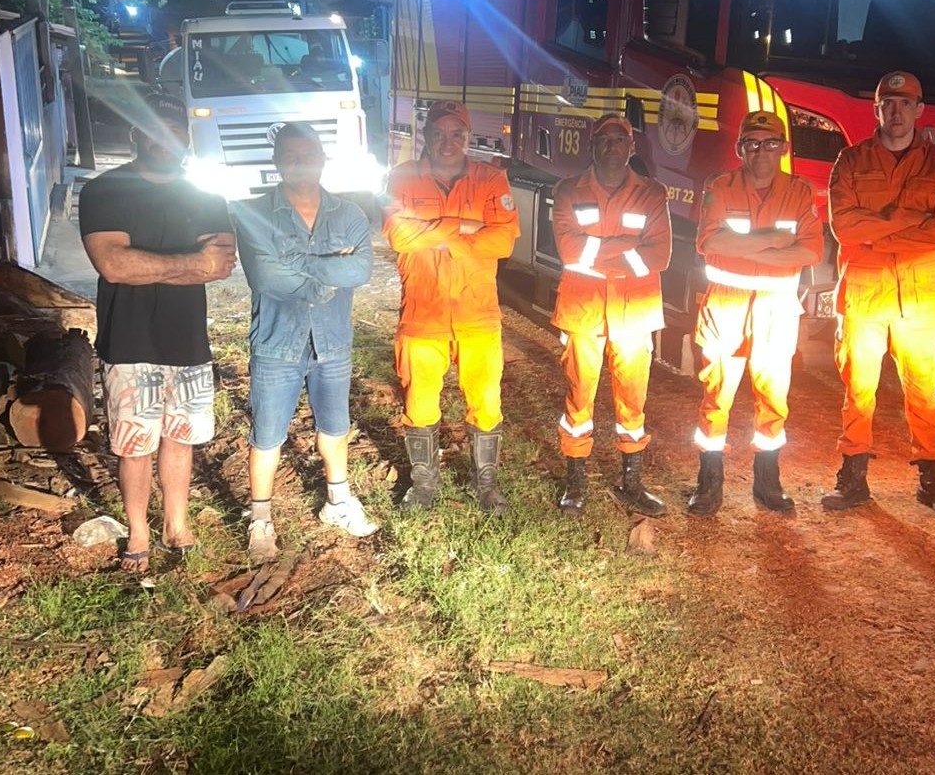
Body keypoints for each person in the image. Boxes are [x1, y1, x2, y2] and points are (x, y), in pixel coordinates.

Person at [79, 94, 236, 572]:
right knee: (133, 444)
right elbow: (112, 264)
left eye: (172, 130)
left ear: (185, 138)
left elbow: (222, 265)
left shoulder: (206, 197)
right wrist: (191, 263)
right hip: (128, 341)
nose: (161, 139)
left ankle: (176, 525)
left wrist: (146, 265)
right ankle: (139, 533)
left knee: (179, 437)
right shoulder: (104, 191)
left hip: (186, 340)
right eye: (151, 128)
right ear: (134, 135)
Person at [231, 123, 377, 564]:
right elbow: (266, 277)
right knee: (268, 436)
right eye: (290, 154)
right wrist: (327, 270)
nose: (300, 161)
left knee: (335, 429)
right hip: (277, 344)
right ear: (276, 161)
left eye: (308, 152)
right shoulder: (251, 212)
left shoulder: (350, 213)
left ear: (322, 157)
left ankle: (338, 503)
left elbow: (362, 271)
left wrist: (299, 264)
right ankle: (261, 521)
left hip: (332, 344)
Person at [823, 71, 935, 517]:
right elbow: (844, 226)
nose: (897, 111)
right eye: (889, 103)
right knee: (858, 387)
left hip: (920, 298)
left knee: (924, 390)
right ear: (877, 109)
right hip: (866, 295)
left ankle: (932, 477)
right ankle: (852, 476)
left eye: (906, 104)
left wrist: (878, 231)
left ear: (920, 110)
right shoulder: (850, 161)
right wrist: (912, 222)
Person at [381, 100, 520, 514]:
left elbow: (504, 241)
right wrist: (464, 227)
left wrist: (434, 231)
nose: (448, 141)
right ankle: (424, 485)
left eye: (456, 134)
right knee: (420, 400)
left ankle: (487, 485)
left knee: (486, 400)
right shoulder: (401, 178)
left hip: (478, 314)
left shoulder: (491, 178)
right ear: (426, 135)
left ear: (467, 136)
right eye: (439, 133)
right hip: (423, 315)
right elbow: (399, 236)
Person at [687, 110, 824, 516]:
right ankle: (708, 485)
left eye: (769, 143)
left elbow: (811, 250)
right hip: (726, 304)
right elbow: (709, 243)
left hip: (774, 310)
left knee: (773, 398)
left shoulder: (800, 191)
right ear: (740, 149)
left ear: (782, 148)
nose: (760, 152)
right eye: (751, 143)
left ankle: (768, 484)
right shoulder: (720, 186)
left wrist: (744, 243)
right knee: (716, 396)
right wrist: (777, 241)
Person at [550, 114, 672, 517]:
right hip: (583, 311)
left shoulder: (653, 194)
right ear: (593, 145)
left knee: (633, 402)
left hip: (633, 313)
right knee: (578, 397)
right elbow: (570, 251)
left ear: (631, 148)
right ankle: (576, 483)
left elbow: (661, 256)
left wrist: (598, 250)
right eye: (605, 140)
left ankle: (631, 481)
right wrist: (626, 249)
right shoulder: (568, 190)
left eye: (621, 140)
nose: (613, 146)